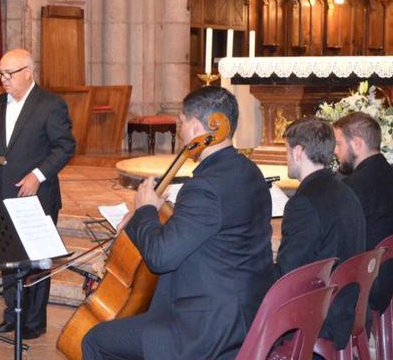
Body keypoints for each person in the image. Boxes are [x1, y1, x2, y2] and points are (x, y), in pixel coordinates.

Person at [82, 86, 274, 360]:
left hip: (205, 329)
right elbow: (212, 227)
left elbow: (161, 258)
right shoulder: (249, 171)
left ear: (196, 126)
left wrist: (146, 209)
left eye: (182, 123)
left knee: (96, 340)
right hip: (247, 313)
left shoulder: (204, 187)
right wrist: (162, 207)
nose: (181, 131)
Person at [0, 48, 76, 339]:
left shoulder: (50, 105)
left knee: (36, 262)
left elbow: (64, 146)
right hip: (3, 195)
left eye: (9, 74)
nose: (4, 79)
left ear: (28, 72)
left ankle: (32, 322)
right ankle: (12, 315)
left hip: (37, 196)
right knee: (8, 258)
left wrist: (38, 175)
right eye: (0, 74)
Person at [275, 117, 365, 350]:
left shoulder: (303, 202)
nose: (287, 158)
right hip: (345, 308)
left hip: (319, 317)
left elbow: (288, 274)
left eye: (286, 151)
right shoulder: (346, 192)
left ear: (298, 152)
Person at [334, 112, 393, 314]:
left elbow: (339, 242)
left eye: (339, 144)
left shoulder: (354, 186)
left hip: (369, 285)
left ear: (357, 143)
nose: (335, 151)